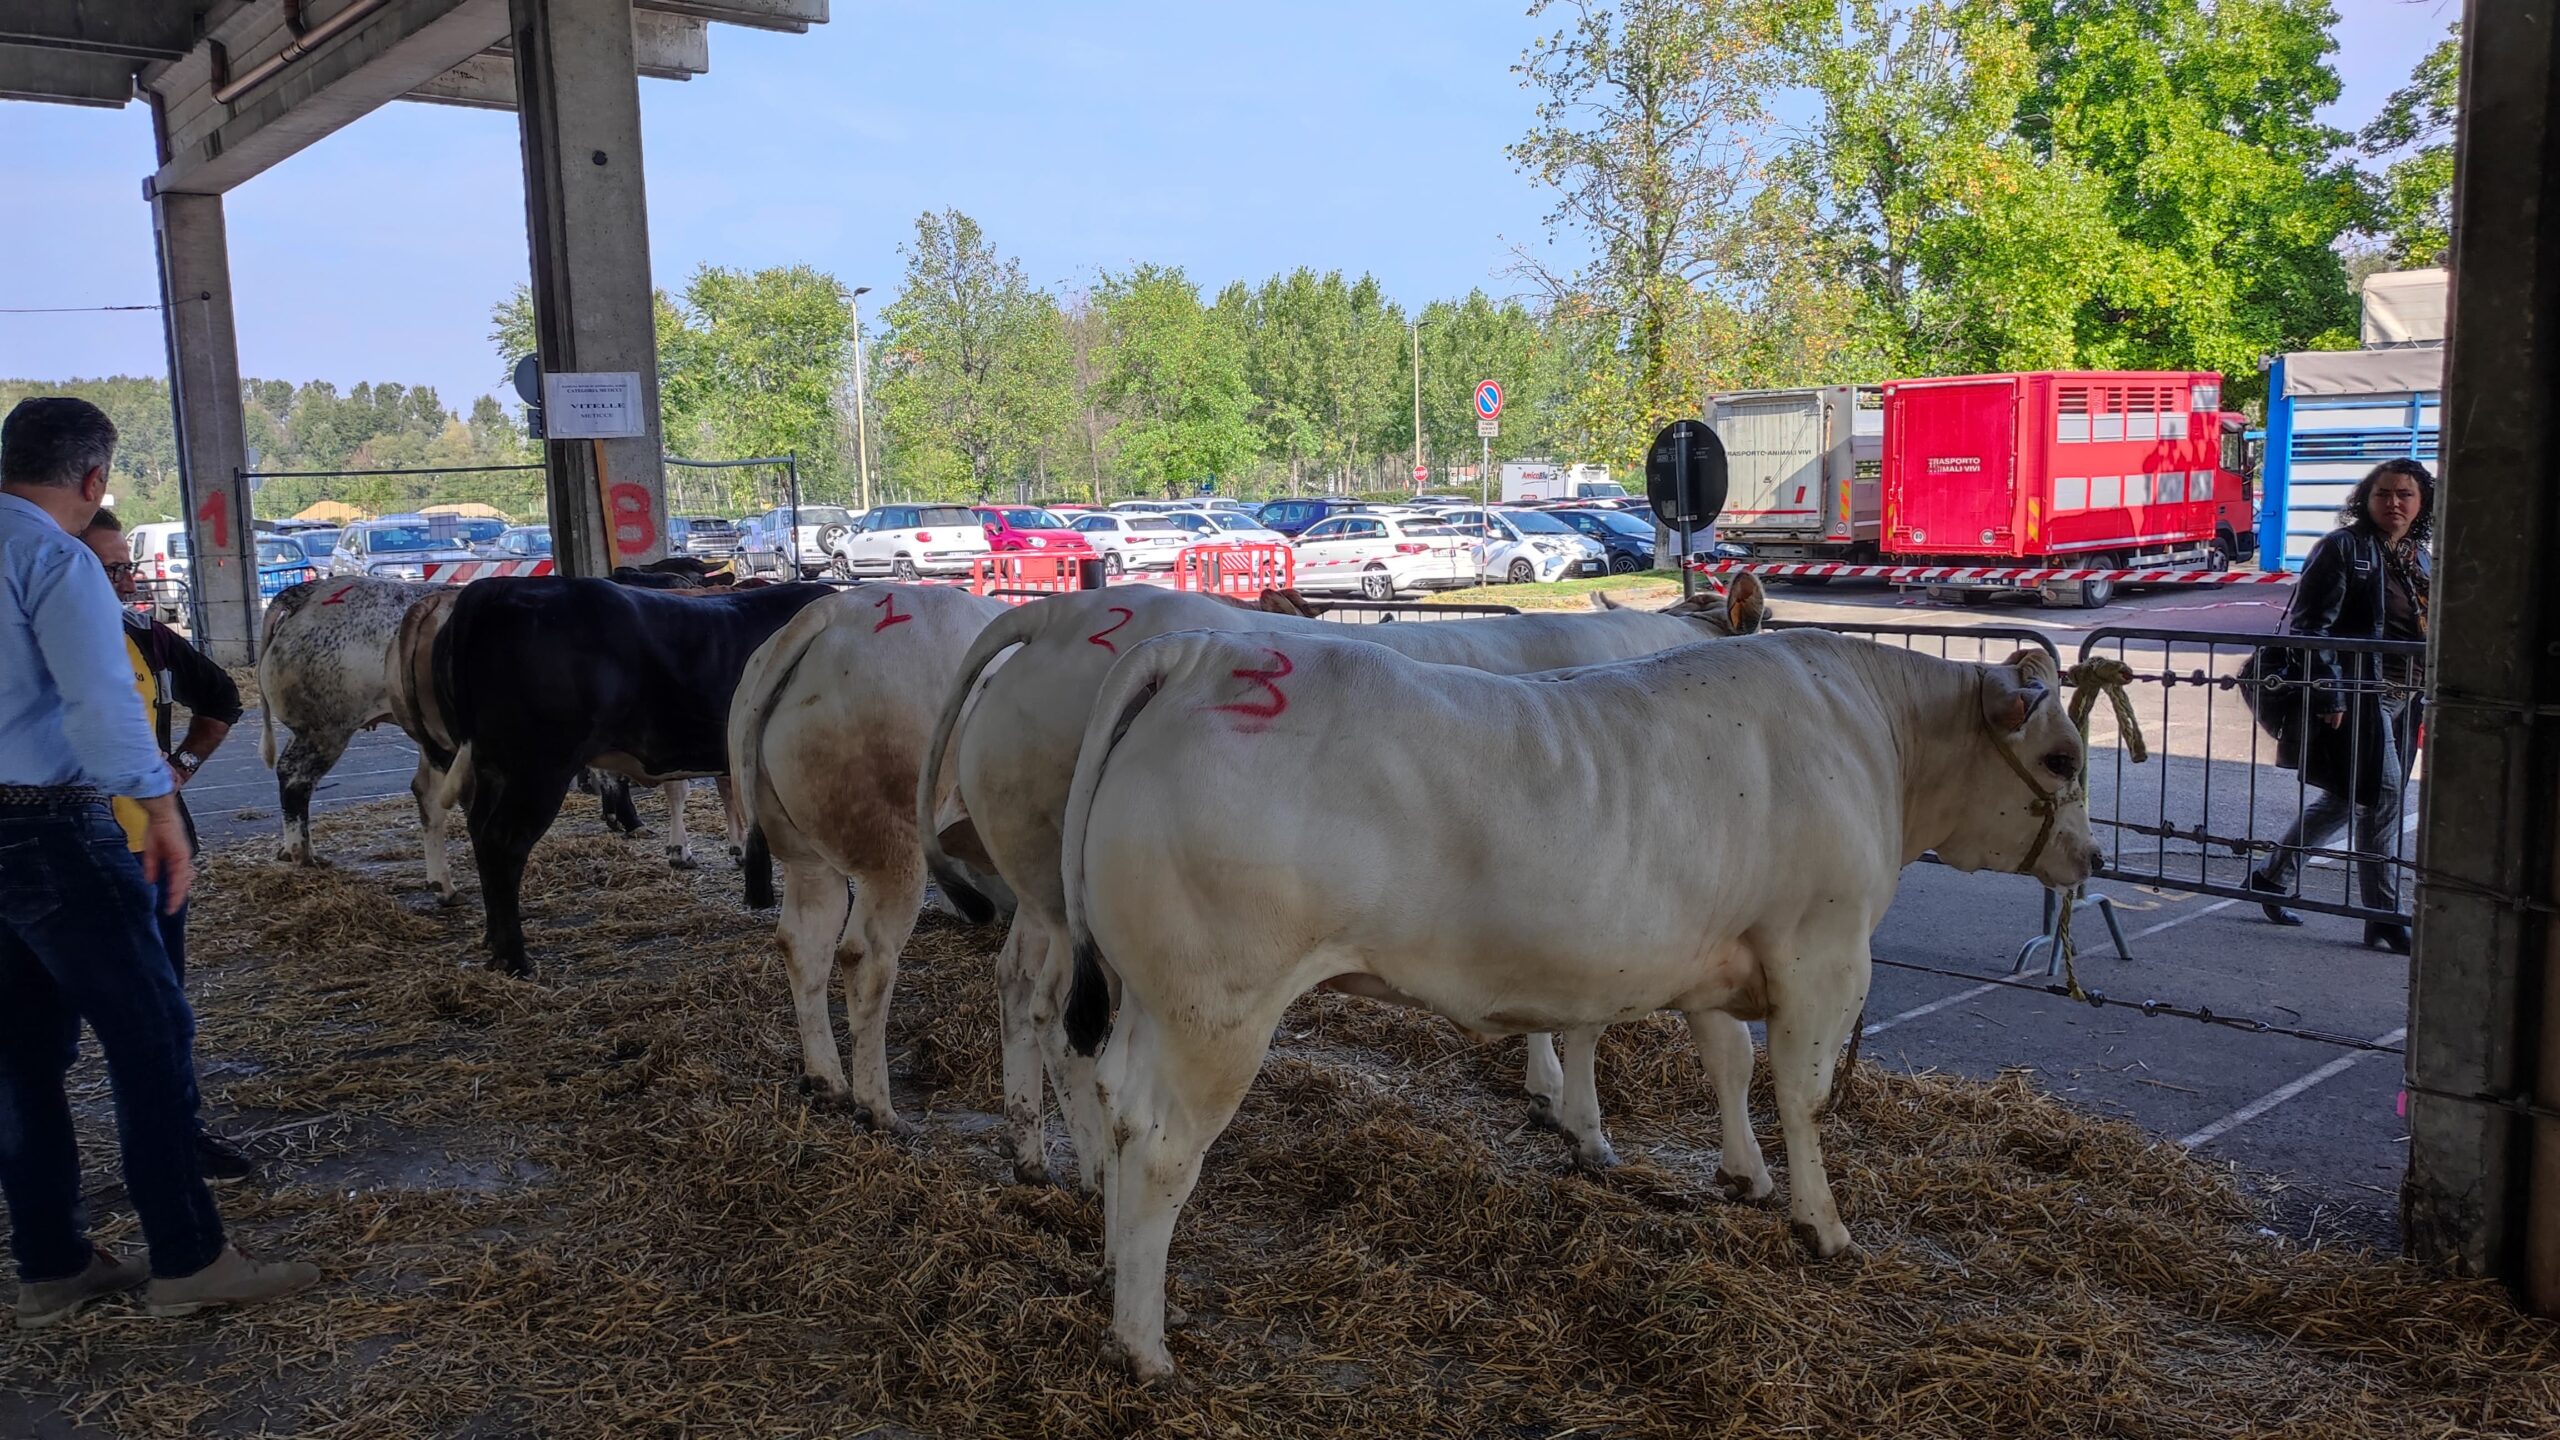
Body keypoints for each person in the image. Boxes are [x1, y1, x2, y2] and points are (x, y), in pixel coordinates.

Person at [0, 396, 316, 1329]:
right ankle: (188, 1257)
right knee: (149, 1035)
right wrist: (156, 801)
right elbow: (101, 700)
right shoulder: (53, 557)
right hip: (50, 824)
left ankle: (51, 1264)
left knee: (19, 1056)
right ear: (94, 479)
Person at [77, 507, 256, 1183]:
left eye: (125, 566)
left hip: (144, 849)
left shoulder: (143, 636)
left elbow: (221, 697)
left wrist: (179, 768)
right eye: (108, 568)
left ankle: (177, 1139)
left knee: (161, 1011)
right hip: (70, 853)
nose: (124, 580)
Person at [2247, 458, 2434, 954]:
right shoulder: (2343, 548)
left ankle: (2271, 877)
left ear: (2422, 502)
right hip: (2362, 695)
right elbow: (2311, 625)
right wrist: (2329, 691)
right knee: (2385, 796)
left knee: (2352, 796)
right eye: (2384, 493)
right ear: (2365, 500)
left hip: (2406, 696)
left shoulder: (2420, 556)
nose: (2394, 503)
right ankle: (2383, 917)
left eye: (2405, 494)